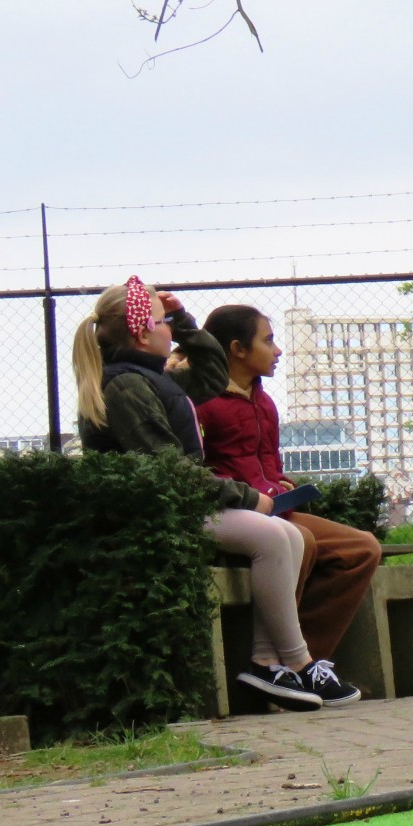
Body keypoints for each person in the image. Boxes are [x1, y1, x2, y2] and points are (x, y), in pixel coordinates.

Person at [72, 277, 358, 712]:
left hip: (181, 507)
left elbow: (211, 370)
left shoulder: (152, 377)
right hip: (160, 516)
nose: (170, 328)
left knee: (292, 536)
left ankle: (266, 662)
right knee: (270, 535)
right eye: (163, 322)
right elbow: (169, 470)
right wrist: (247, 497)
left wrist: (184, 321)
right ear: (141, 331)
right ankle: (298, 661)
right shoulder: (126, 386)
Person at [195, 304, 382, 691]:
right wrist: (256, 496)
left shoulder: (263, 401)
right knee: (306, 541)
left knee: (362, 549)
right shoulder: (203, 403)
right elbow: (201, 473)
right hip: (239, 515)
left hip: (279, 513)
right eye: (268, 340)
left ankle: (304, 663)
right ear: (237, 349)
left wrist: (283, 486)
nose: (278, 350)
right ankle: (290, 661)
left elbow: (270, 467)